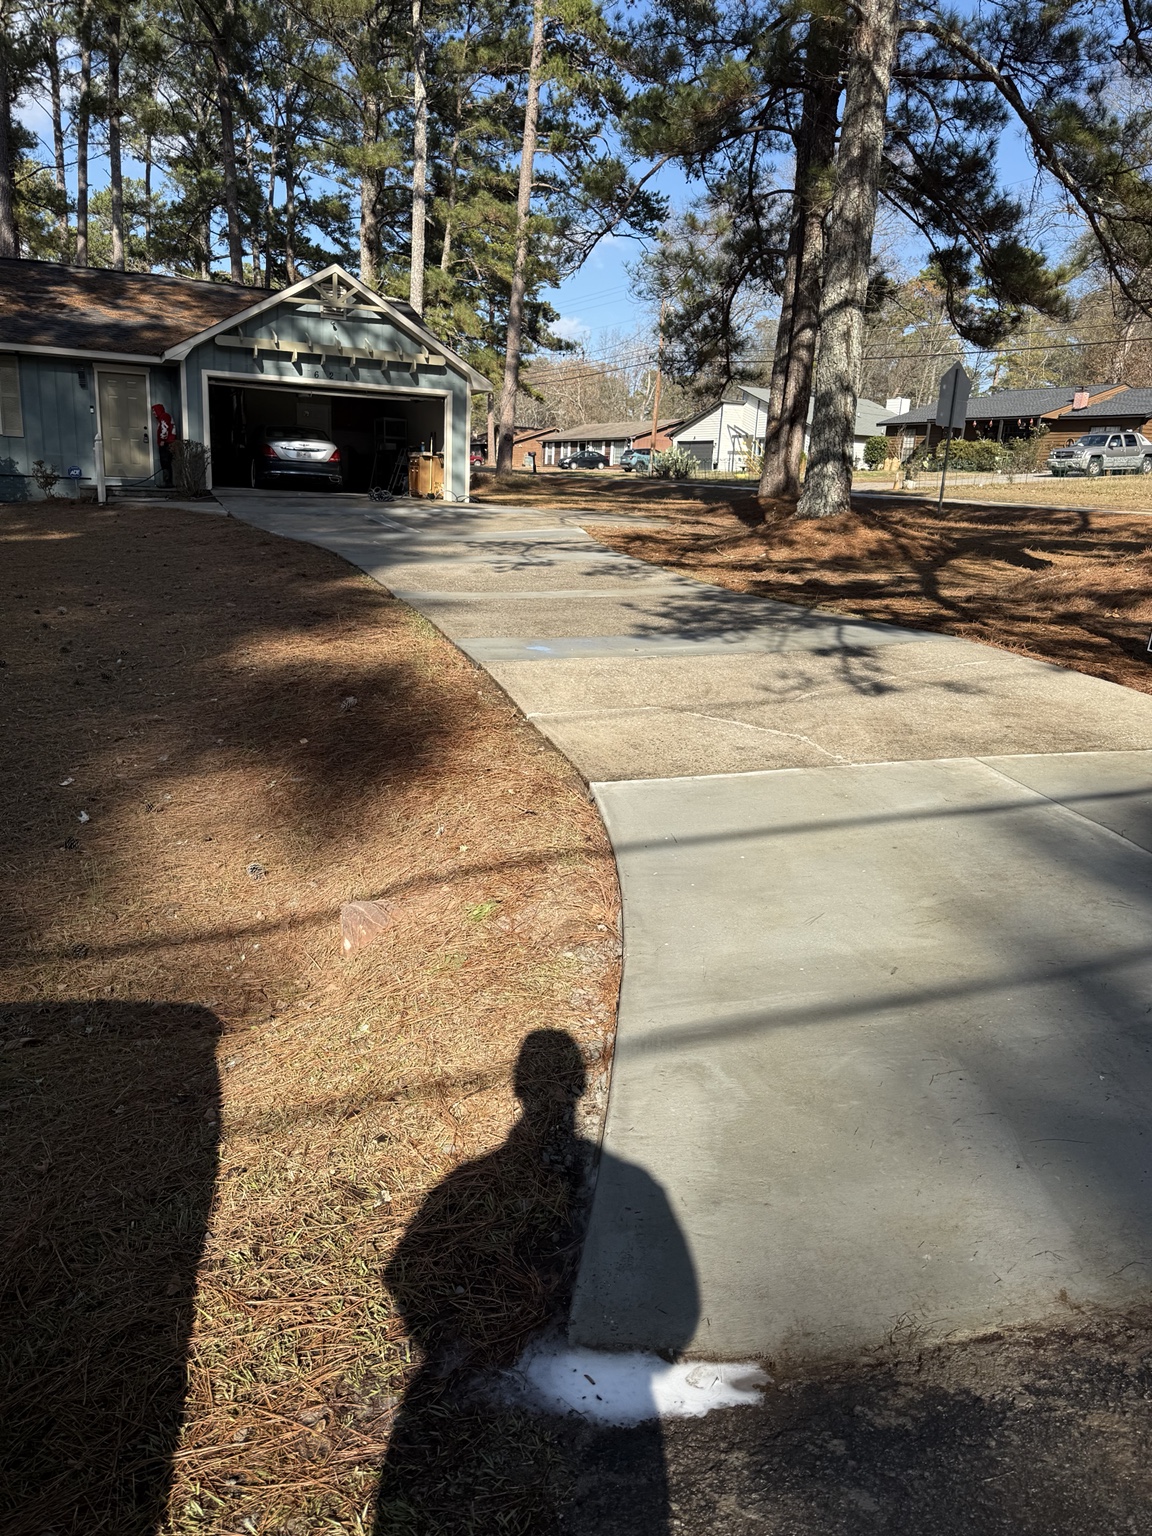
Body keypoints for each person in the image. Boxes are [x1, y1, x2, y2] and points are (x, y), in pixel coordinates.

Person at [152, 403, 177, 487]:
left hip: (167, 443)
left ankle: (167, 482)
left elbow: (164, 429)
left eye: (154, 411)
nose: (153, 413)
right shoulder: (164, 417)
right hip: (168, 443)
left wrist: (162, 440)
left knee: (165, 462)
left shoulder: (164, 417)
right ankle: (167, 481)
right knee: (166, 462)